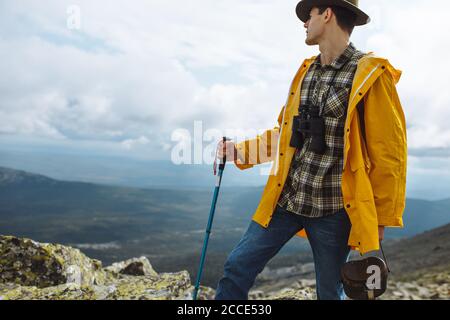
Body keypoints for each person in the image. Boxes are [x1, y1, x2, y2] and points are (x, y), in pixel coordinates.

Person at [215, 0, 407, 300]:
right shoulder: (305, 72)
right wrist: (240, 152)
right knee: (236, 267)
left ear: (327, 14)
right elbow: (285, 134)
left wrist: (380, 221)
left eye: (310, 14)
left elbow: (389, 155)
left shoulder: (370, 75)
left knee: (330, 293)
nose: (304, 22)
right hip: (286, 199)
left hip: (334, 211)